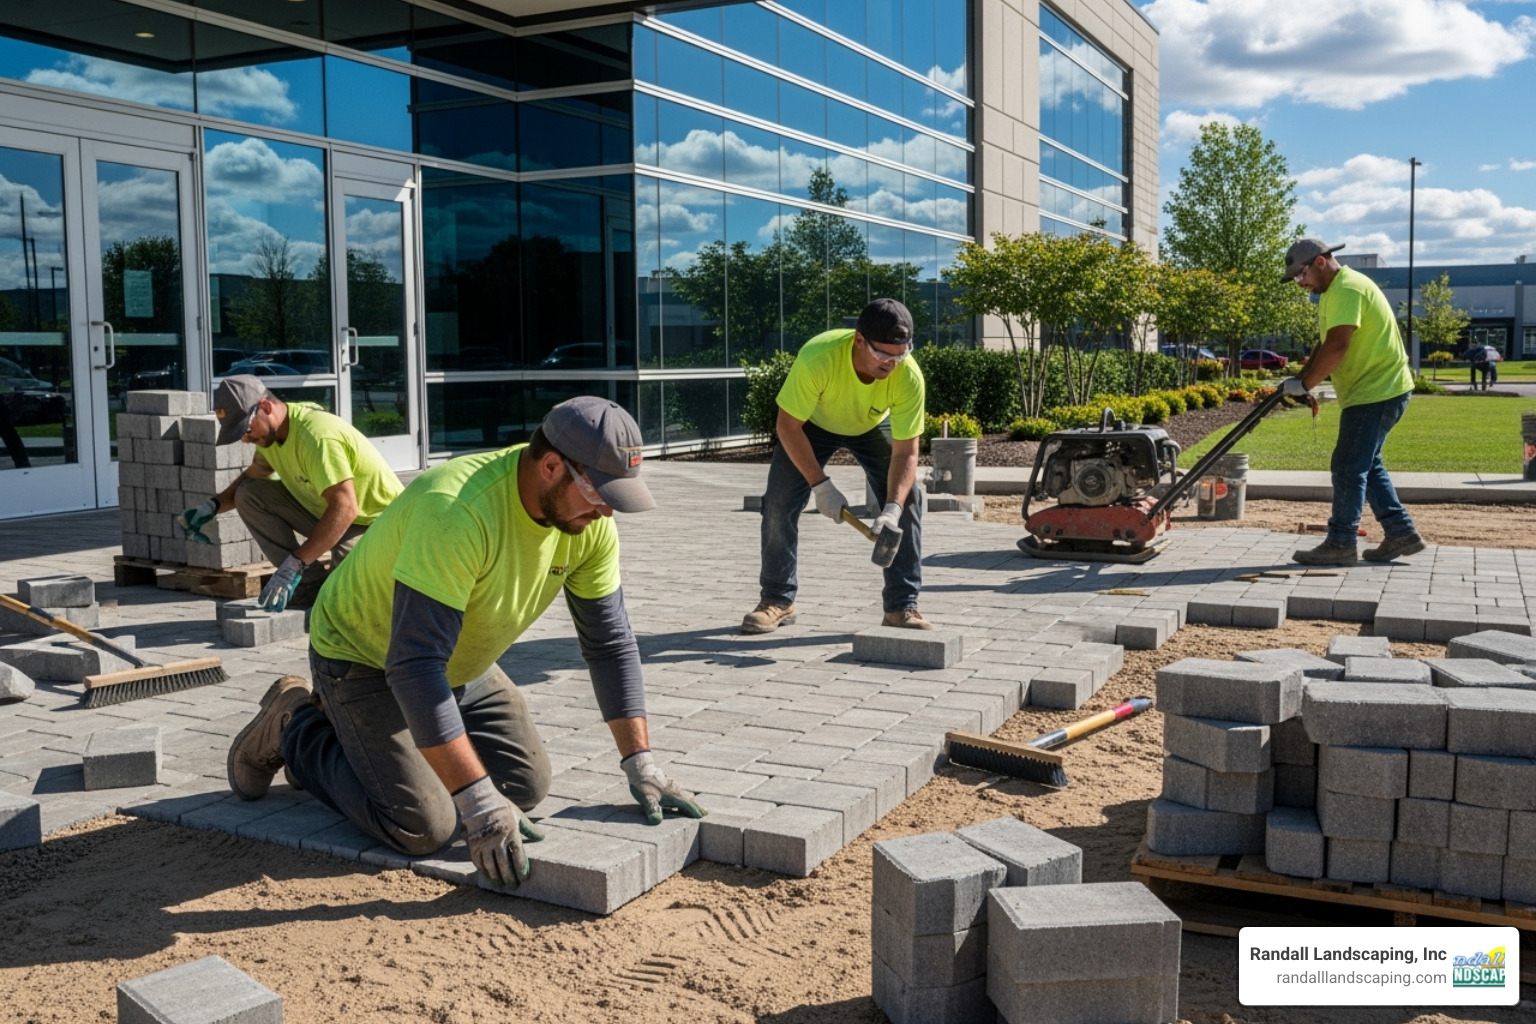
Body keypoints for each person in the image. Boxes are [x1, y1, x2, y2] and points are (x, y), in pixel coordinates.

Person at [224, 396, 706, 889]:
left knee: (523, 786)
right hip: (361, 653)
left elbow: (610, 644)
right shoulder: (456, 510)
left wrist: (639, 761)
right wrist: (476, 802)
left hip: (455, 659)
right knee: (424, 825)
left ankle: (396, 741)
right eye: (598, 492)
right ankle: (295, 724)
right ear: (551, 466)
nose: (607, 511)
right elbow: (414, 665)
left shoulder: (589, 525)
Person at [743, 298, 929, 634]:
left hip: (872, 425)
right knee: (778, 503)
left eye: (900, 355)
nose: (892, 364)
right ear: (859, 340)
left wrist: (891, 507)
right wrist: (821, 486)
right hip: (812, 424)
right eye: (883, 355)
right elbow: (787, 425)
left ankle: (902, 606)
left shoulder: (908, 376)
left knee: (910, 500)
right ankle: (777, 600)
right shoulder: (819, 357)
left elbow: (907, 453)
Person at [178, 376, 403, 612]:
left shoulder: (316, 437)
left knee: (343, 599)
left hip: (377, 523)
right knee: (249, 494)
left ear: (265, 407)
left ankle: (320, 580)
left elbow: (346, 508)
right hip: (330, 512)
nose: (245, 439)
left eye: (246, 429)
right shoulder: (272, 437)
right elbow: (254, 475)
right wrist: (211, 507)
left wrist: (294, 564)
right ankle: (309, 585)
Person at [1281, 239, 1423, 565]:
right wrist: (1300, 379)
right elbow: (1325, 343)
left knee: (1347, 466)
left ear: (1319, 262)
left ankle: (1341, 543)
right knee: (1365, 464)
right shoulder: (1333, 291)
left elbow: (1338, 346)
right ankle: (1400, 532)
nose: (1299, 283)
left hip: (1377, 391)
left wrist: (1305, 384)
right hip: (1377, 389)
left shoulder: (1347, 289)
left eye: (1301, 274)